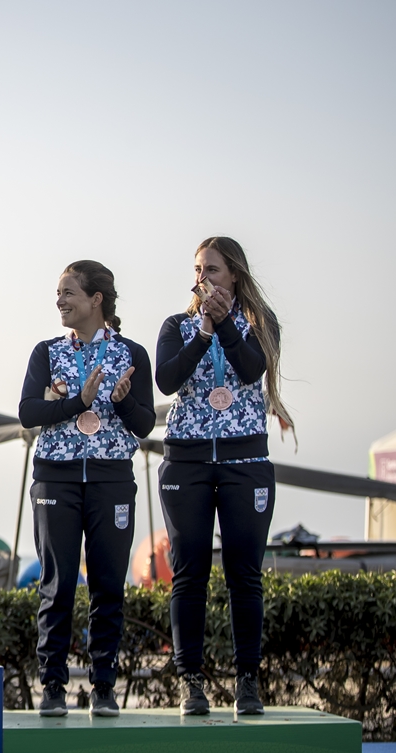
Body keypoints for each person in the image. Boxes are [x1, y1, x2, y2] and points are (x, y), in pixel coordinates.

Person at [155, 236, 292, 716]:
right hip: (186, 462)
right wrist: (205, 331)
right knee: (189, 573)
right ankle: (190, 682)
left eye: (211, 269)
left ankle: (248, 682)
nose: (202, 278)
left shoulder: (261, 323)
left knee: (244, 575)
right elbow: (167, 380)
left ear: (233, 273)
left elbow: (253, 370)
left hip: (246, 463)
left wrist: (229, 323)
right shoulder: (177, 325)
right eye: (197, 269)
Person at [18, 261, 155, 717]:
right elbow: (28, 412)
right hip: (55, 478)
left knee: (108, 587)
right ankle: (53, 686)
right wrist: (78, 402)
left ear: (96, 299)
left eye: (68, 292)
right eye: (58, 293)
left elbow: (145, 423)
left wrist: (124, 401)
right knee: (57, 585)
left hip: (111, 478)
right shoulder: (47, 350)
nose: (59, 300)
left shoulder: (132, 352)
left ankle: (103, 687)